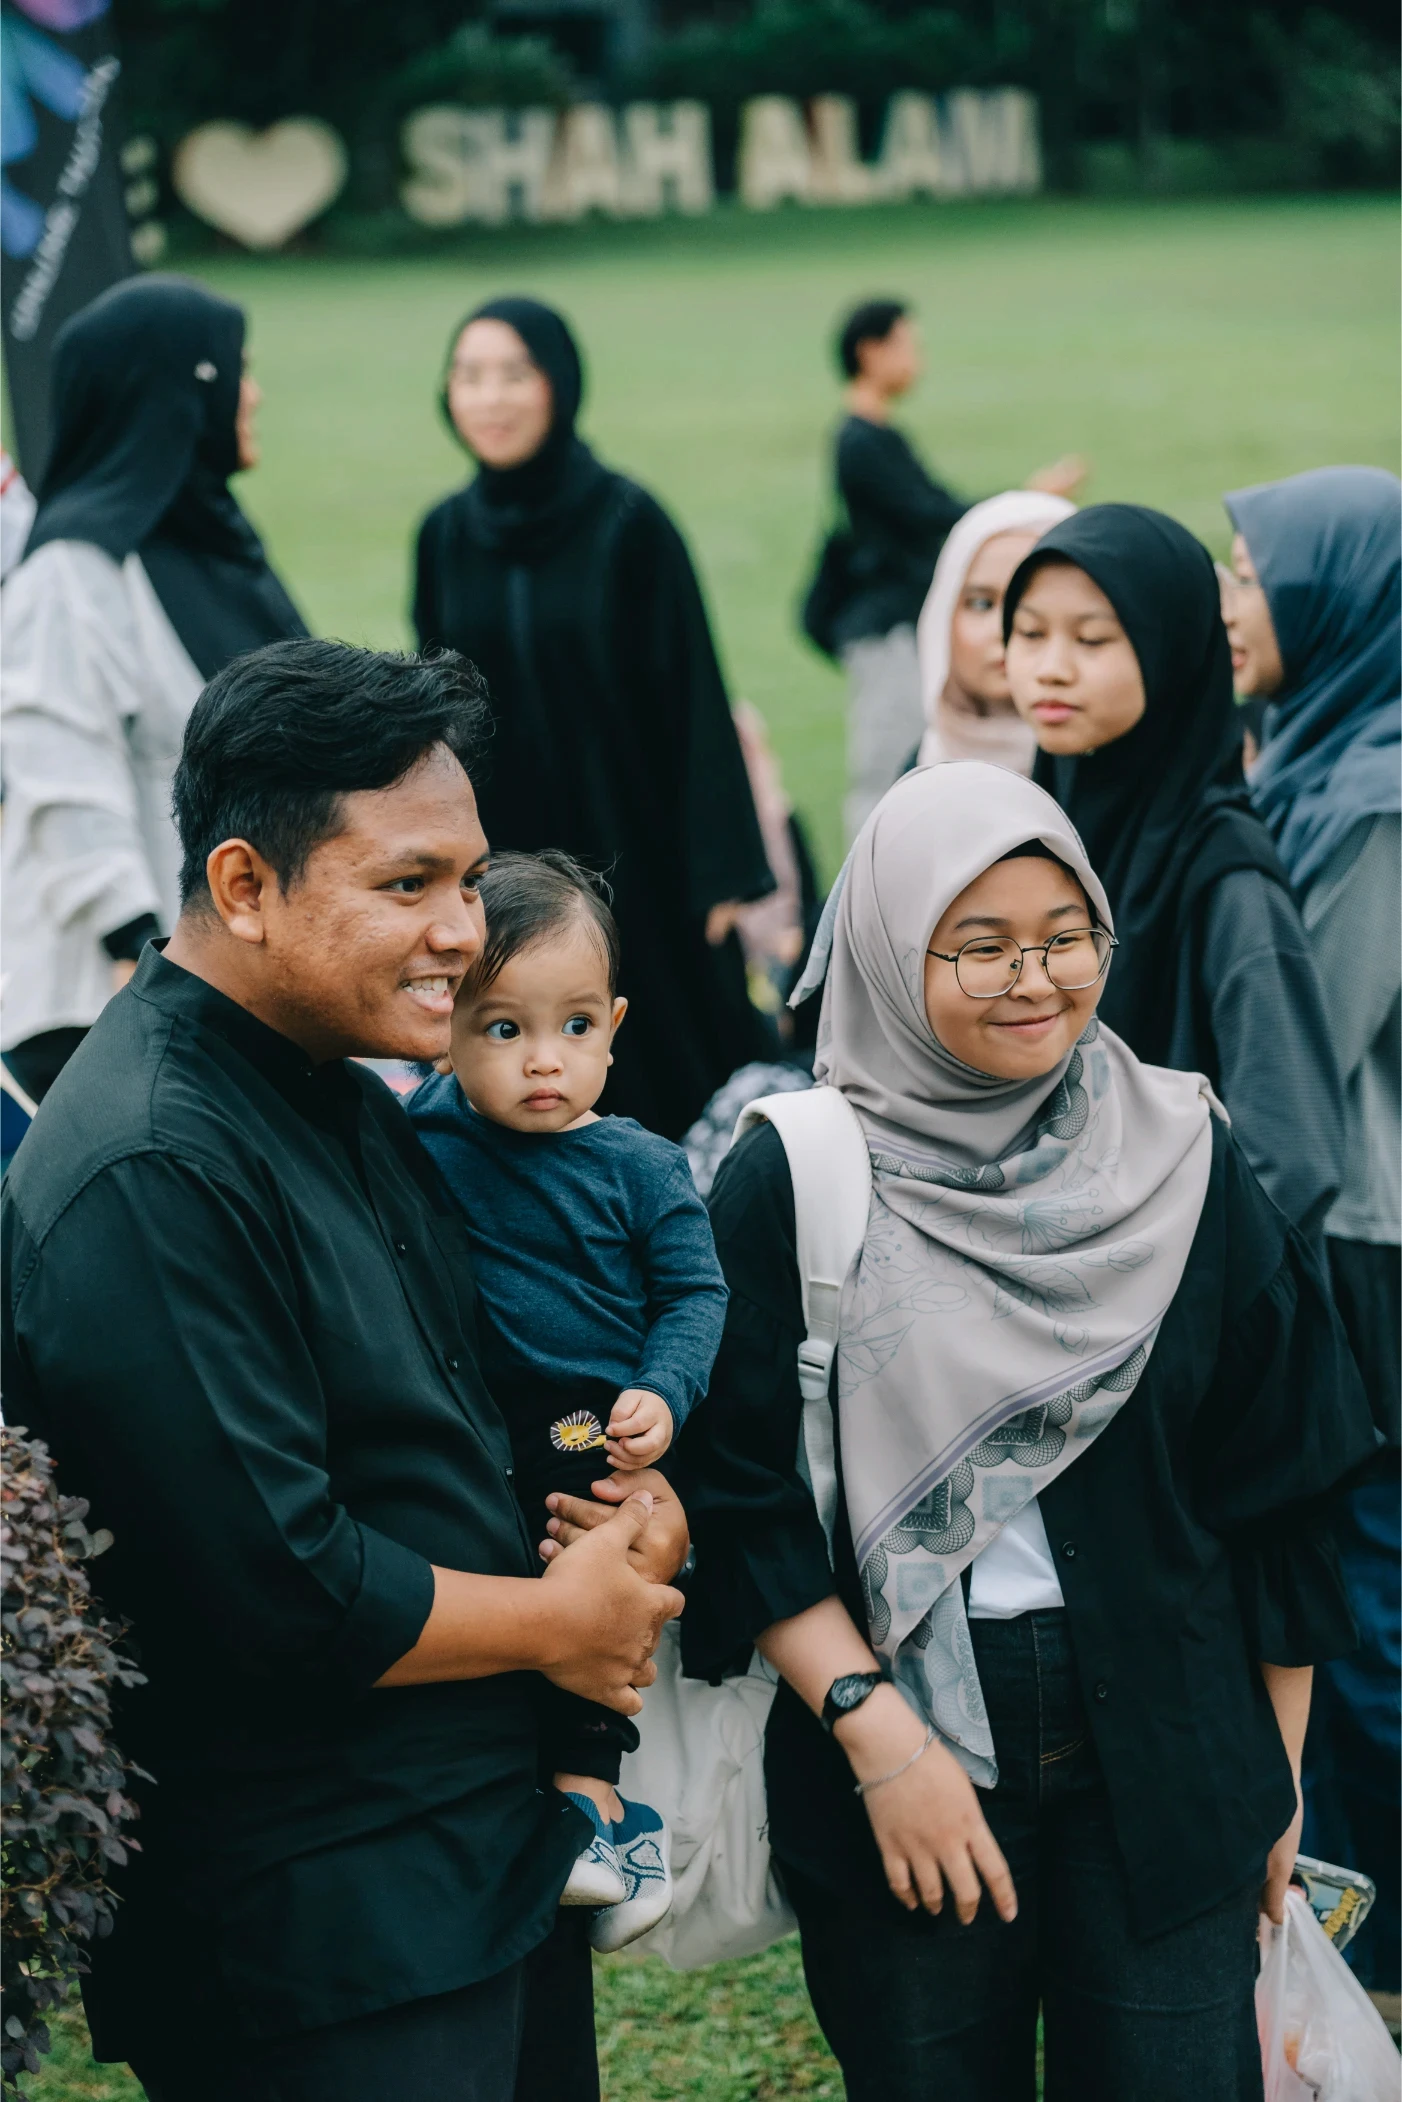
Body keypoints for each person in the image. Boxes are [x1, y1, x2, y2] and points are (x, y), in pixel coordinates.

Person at [2, 639, 688, 2102]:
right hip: (320, 1932)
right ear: (245, 885)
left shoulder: (343, 1081)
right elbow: (282, 1584)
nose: (462, 930)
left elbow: (450, 1409)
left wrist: (621, 1501)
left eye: (470, 878)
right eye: (408, 882)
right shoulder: (150, 1166)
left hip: (477, 1855)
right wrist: (561, 1619)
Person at [676, 761, 1376, 2102]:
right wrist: (876, 1738)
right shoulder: (798, 1173)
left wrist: (1274, 1781)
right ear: (889, 950)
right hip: (896, 1733)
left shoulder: (1180, 1153)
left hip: (1172, 1731)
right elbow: (735, 1489)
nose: (1034, 980)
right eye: (980, 945)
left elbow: (1281, 1475)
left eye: (1066, 938)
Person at [408, 849, 728, 1951]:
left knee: (587, 1561)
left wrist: (663, 1391)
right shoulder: (422, 1137)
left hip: (586, 1418)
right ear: (446, 1029)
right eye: (504, 1028)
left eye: (576, 1025)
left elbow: (694, 1291)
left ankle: (591, 1801)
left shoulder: (641, 1166)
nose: (544, 1059)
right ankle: (603, 1823)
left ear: (615, 1025)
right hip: (468, 1420)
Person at [413, 296, 775, 1142]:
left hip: (636, 856)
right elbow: (438, 713)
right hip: (502, 857)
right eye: (469, 376)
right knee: (524, 1073)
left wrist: (720, 874)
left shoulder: (628, 522)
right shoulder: (445, 536)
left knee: (661, 1072)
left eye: (513, 375)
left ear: (559, 385)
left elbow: (694, 697)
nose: (489, 398)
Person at [1223, 464, 1401, 2005]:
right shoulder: (1311, 748)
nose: (1227, 600)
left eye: (1248, 571)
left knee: (1372, 1610)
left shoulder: (1376, 796)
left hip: (1366, 1246)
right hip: (1343, 1233)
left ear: (1334, 596)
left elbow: (1308, 1045)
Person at [1001, 503, 1344, 1246]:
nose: (1050, 666)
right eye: (1028, 633)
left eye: (1093, 639)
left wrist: (1164, 1285)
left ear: (1174, 652)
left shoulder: (1228, 881)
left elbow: (1292, 1157)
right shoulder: (1035, 836)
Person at [0, 274, 306, 1105]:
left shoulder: (212, 549)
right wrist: (138, 948)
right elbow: (63, 775)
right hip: (112, 1002)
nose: (252, 393)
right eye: (237, 369)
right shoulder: (73, 571)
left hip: (220, 985)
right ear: (183, 390)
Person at [813, 298, 1083, 839]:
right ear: (871, 352)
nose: (918, 360)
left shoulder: (875, 436)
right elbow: (928, 510)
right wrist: (1022, 502)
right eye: (908, 346)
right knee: (885, 771)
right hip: (887, 631)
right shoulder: (860, 440)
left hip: (899, 625)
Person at [914, 489, 1075, 771]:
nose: (1005, 630)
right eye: (981, 604)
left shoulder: (1120, 779)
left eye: (1032, 605)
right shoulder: (920, 773)